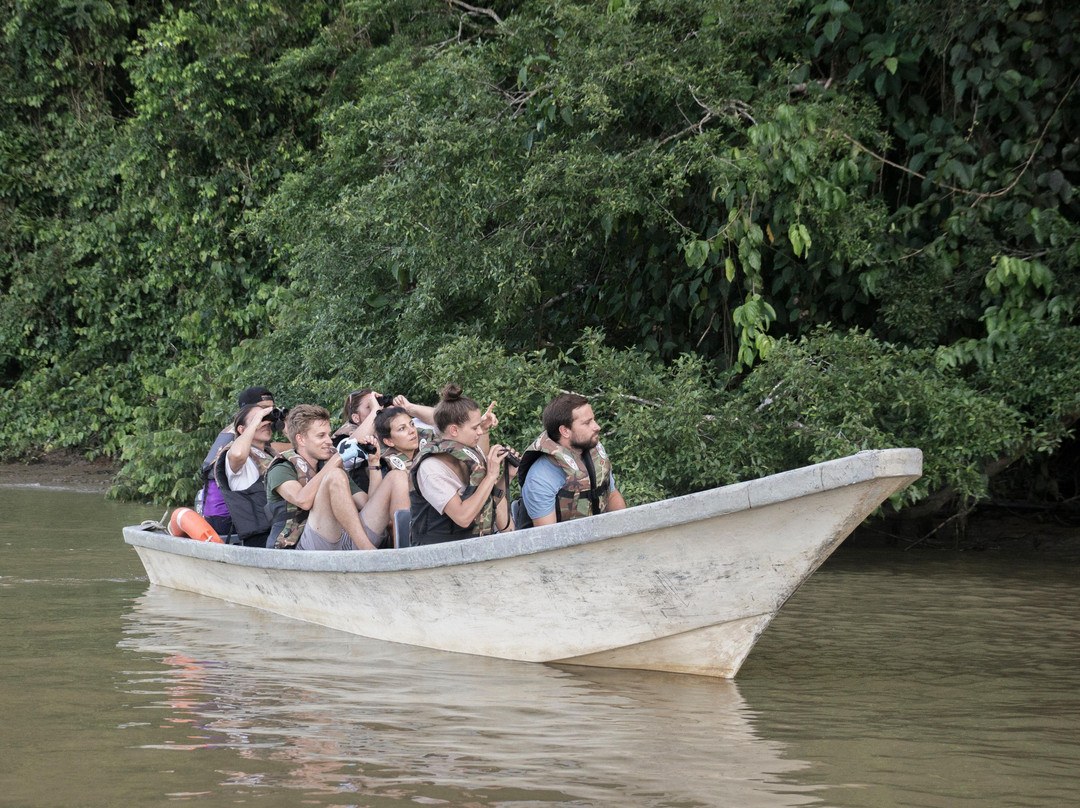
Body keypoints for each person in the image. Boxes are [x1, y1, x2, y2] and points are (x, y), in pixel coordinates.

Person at [266, 404, 409, 551]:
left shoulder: (329, 462)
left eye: (328, 434)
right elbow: (303, 501)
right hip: (304, 547)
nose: (329, 441)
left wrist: (374, 464)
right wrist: (338, 458)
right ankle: (368, 551)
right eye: (321, 436)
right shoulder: (281, 467)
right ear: (301, 439)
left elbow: (367, 504)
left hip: (345, 539)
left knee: (397, 476)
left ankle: (403, 551)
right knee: (334, 475)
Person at [409, 385, 513, 545]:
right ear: (454, 430)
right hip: (438, 556)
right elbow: (463, 517)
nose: (479, 432)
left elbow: (490, 500)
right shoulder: (431, 468)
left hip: (473, 548)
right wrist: (491, 476)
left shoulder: (468, 454)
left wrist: (508, 474)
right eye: (475, 427)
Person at [516, 393, 627, 528]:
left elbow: (611, 495)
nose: (597, 427)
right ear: (565, 431)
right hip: (561, 544)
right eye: (587, 423)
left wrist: (625, 528)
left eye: (593, 420)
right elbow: (546, 538)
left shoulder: (592, 450)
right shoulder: (540, 478)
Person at [199, 386, 276, 537]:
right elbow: (239, 454)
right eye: (263, 410)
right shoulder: (236, 442)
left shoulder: (263, 447)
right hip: (228, 517)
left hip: (252, 514)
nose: (268, 415)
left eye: (271, 409)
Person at [212, 402, 282, 546]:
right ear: (242, 429)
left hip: (282, 530)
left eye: (266, 419)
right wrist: (258, 419)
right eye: (258, 419)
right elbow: (238, 454)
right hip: (259, 536)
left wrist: (286, 421)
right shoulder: (236, 456)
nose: (265, 423)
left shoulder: (272, 454)